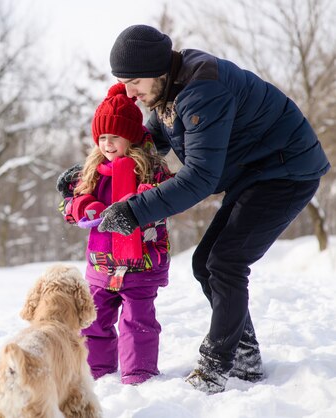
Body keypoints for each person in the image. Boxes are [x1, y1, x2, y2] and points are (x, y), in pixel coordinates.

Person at [88, 24, 330, 393]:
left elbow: (200, 177)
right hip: (256, 172)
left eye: (133, 81)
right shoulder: (170, 90)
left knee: (225, 262)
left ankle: (216, 365)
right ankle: (244, 360)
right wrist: (91, 170)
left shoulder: (202, 92)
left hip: (287, 171)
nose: (130, 92)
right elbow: (143, 143)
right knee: (206, 263)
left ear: (156, 69)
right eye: (124, 83)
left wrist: (134, 211)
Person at [60, 83, 173, 385]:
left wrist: (147, 198)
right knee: (93, 322)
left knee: (138, 322)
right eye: (102, 137)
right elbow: (68, 205)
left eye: (115, 137)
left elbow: (170, 195)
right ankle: (96, 373)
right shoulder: (92, 172)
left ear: (131, 137)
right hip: (101, 266)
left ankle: (139, 375)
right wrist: (84, 205)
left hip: (141, 265)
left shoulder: (150, 169)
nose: (108, 144)